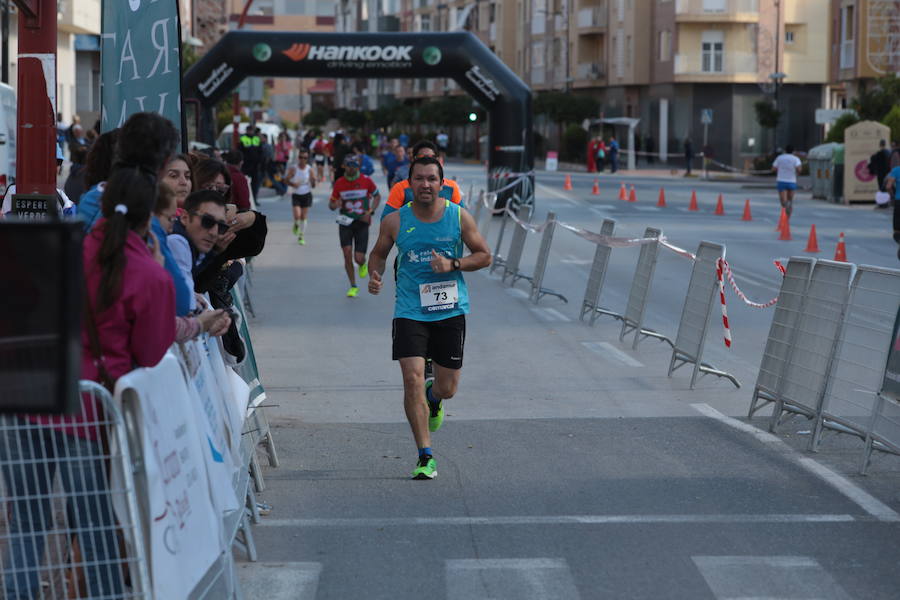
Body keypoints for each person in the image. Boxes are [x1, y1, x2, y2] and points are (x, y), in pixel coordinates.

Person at [2, 168, 175, 599]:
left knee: (26, 520)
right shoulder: (148, 273)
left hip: (26, 394)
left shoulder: (62, 247)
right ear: (149, 214)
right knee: (96, 522)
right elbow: (153, 351)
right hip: (86, 410)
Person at [367, 156, 492, 479]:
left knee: (448, 387)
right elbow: (378, 254)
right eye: (419, 179)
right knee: (411, 378)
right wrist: (375, 274)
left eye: (432, 179)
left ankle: (435, 397)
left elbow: (484, 256)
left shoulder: (458, 216)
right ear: (409, 184)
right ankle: (425, 455)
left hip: (449, 310)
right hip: (410, 310)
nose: (425, 184)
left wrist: (453, 264)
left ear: (442, 183)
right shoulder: (395, 221)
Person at [329, 155, 380, 297]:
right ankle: (353, 285)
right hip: (345, 222)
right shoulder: (339, 183)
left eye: (355, 165)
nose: (352, 168)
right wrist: (335, 204)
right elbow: (331, 204)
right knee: (346, 254)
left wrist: (370, 211)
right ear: (345, 166)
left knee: (358, 258)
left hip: (361, 222)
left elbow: (377, 196)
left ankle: (362, 264)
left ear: (358, 167)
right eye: (349, 165)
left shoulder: (366, 180)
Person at [382, 140, 463, 220]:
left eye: (431, 157)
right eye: (422, 157)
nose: (425, 185)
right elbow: (386, 221)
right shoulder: (400, 188)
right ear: (413, 159)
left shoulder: (451, 187)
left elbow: (462, 219)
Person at [287, 149, 316, 244]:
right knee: (297, 215)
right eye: (301, 157)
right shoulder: (293, 168)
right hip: (296, 194)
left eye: (305, 158)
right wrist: (293, 184)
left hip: (307, 194)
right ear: (298, 158)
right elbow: (286, 180)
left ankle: (301, 236)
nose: (302, 159)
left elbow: (314, 185)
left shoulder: (309, 169)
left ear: (307, 159)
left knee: (303, 216)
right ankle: (296, 224)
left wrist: (313, 180)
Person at [772, 145, 803, 218]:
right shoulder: (796, 159)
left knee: (783, 201)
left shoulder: (780, 158)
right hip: (792, 181)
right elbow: (799, 169)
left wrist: (779, 170)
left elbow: (773, 168)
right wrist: (797, 173)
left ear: (785, 150)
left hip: (781, 180)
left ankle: (785, 213)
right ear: (793, 151)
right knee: (790, 200)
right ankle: (788, 214)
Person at [240, 125, 263, 200]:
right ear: (246, 131)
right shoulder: (243, 139)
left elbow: (260, 151)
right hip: (246, 165)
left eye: (251, 130)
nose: (250, 132)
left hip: (255, 165)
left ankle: (254, 198)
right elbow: (240, 151)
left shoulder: (257, 139)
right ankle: (246, 197)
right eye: (249, 130)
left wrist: (259, 161)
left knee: (255, 184)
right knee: (244, 182)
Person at [869, 139, 892, 207]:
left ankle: (882, 203)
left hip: (881, 173)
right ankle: (886, 203)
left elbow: (873, 161)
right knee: (886, 188)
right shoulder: (888, 152)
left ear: (880, 145)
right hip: (887, 173)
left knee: (882, 188)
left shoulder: (879, 153)